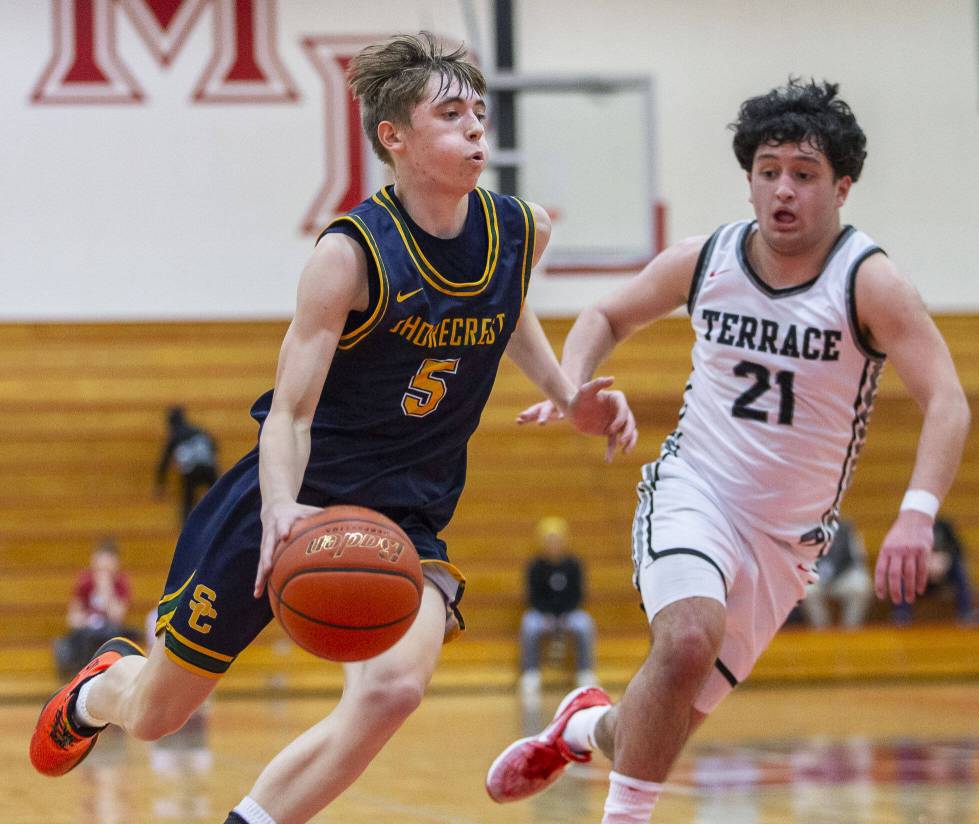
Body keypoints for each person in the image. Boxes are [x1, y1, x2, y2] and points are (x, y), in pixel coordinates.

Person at [29, 32, 637, 824]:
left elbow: (505, 302)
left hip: (405, 519)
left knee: (392, 690)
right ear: (394, 137)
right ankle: (105, 683)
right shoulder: (350, 257)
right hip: (289, 499)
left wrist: (565, 390)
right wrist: (281, 508)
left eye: (480, 114)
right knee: (156, 716)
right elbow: (288, 412)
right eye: (451, 115)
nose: (476, 130)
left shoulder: (522, 230)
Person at [485, 78, 970, 824]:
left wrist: (916, 513)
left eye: (804, 175)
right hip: (696, 490)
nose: (783, 190)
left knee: (652, 728)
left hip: (786, 542)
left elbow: (947, 401)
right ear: (748, 178)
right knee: (685, 637)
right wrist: (570, 383)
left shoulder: (869, 283)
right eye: (768, 171)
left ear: (842, 187)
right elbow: (606, 312)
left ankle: (581, 725)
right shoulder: (709, 257)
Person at [519, 516, 598, 702]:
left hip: (569, 614)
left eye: (557, 540)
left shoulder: (574, 565)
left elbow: (578, 594)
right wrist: (547, 614)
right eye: (549, 540)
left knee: (585, 624)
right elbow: (533, 596)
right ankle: (531, 673)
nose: (553, 544)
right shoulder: (535, 566)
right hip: (542, 614)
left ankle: (585, 672)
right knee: (529, 625)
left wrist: (563, 614)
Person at [53, 538, 138, 680]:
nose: (102, 572)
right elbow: (72, 618)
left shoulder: (121, 583)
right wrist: (85, 620)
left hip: (109, 631)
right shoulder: (85, 582)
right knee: (84, 637)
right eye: (100, 568)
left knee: (114, 637)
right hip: (88, 632)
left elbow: (117, 616)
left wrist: (107, 589)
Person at [892, 515, 979, 626]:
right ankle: (902, 613)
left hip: (942, 572)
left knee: (958, 567)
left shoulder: (944, 525)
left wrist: (945, 559)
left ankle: (965, 612)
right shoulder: (904, 526)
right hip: (914, 573)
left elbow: (958, 549)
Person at [799, 518, 873, 629]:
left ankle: (850, 631)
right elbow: (801, 560)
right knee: (806, 590)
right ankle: (821, 631)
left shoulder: (846, 528)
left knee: (862, 586)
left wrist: (839, 571)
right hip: (816, 578)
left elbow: (858, 560)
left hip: (842, 577)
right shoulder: (806, 530)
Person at [155, 406, 219, 526]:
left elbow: (164, 462)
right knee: (220, 495)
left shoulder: (175, 436)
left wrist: (160, 483)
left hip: (191, 471)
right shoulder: (198, 430)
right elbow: (213, 446)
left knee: (188, 501)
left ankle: (186, 527)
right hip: (208, 467)